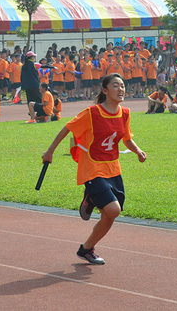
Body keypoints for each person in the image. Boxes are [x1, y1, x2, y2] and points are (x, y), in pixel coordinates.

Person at [41, 73, 147, 264]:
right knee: (113, 209)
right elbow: (68, 128)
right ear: (105, 91)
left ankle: (86, 249)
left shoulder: (125, 113)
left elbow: (126, 137)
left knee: (110, 215)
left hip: (113, 168)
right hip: (91, 167)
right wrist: (50, 152)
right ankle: (89, 196)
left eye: (122, 86)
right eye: (115, 86)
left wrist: (138, 151)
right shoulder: (92, 113)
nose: (120, 89)